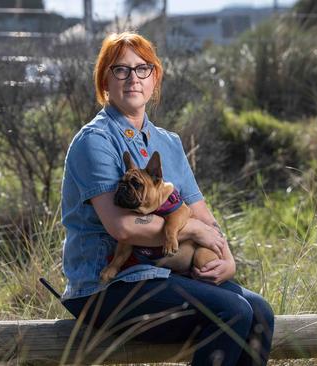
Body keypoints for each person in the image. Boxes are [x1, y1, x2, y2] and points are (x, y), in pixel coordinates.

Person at [60, 31, 274, 366]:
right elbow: (123, 228)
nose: (133, 78)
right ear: (105, 80)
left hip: (167, 276)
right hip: (107, 288)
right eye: (121, 70)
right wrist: (189, 232)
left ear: (154, 77)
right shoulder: (95, 141)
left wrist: (228, 261)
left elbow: (204, 216)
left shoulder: (168, 143)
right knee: (230, 311)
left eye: (142, 69)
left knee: (259, 312)